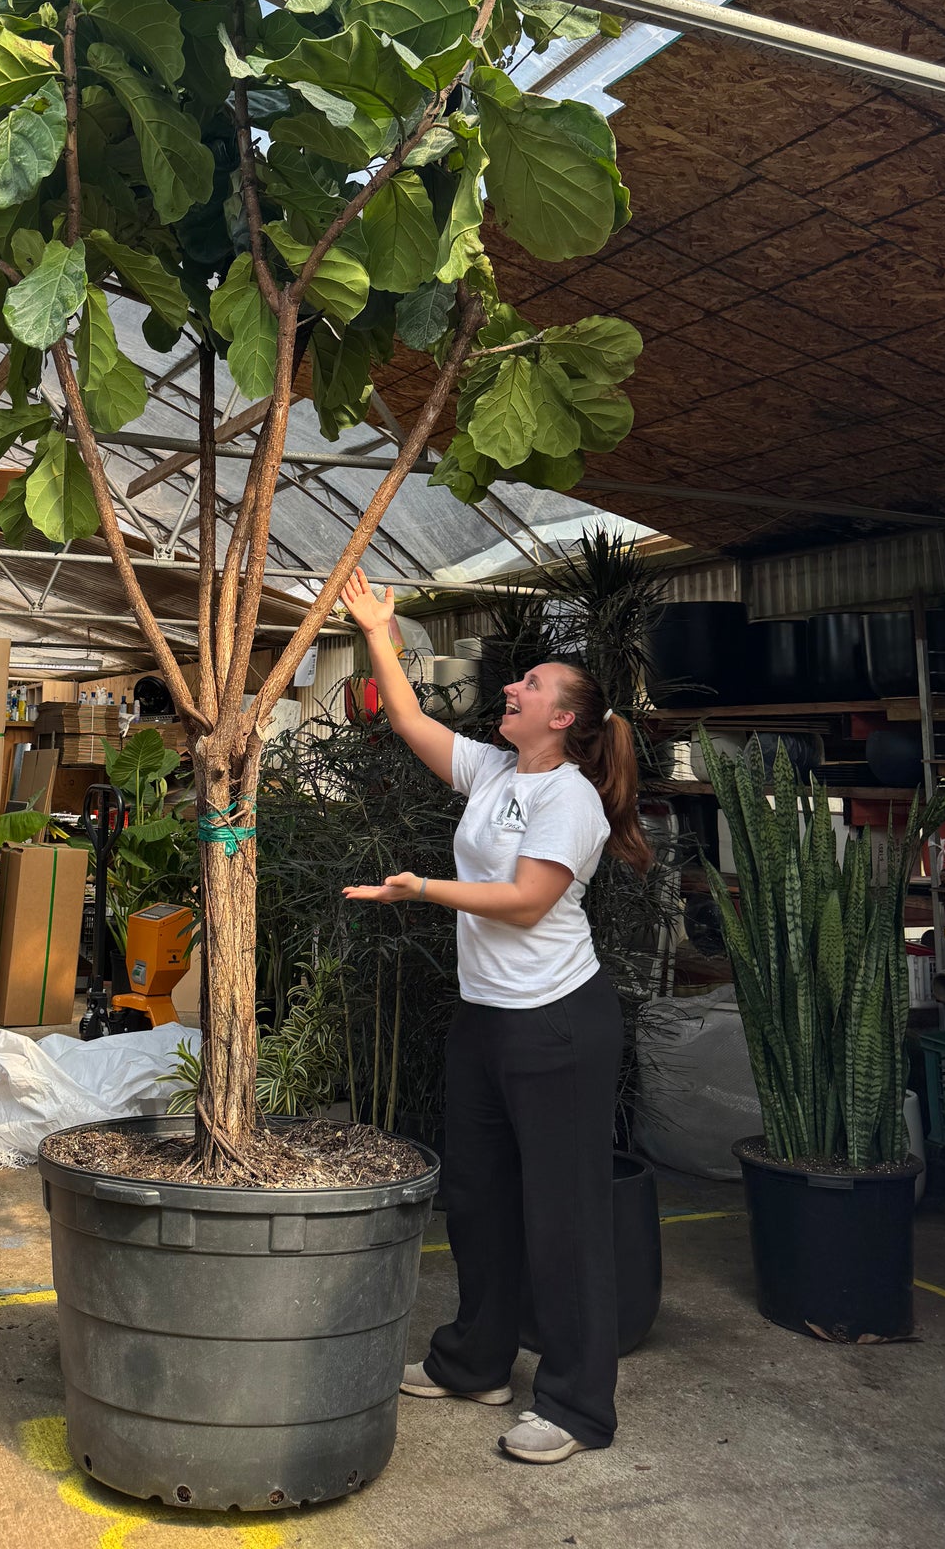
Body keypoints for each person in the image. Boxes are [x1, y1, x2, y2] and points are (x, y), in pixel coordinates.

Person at [337, 565, 653, 1465]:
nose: (512, 687)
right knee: (476, 1197)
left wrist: (418, 888)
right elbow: (409, 720)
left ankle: (579, 1405)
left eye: (533, 686)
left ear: (564, 720)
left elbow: (524, 901)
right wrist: (377, 630)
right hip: (487, 1021)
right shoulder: (498, 772)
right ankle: (476, 1361)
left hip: (557, 1025)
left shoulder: (571, 799)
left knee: (564, 1214)